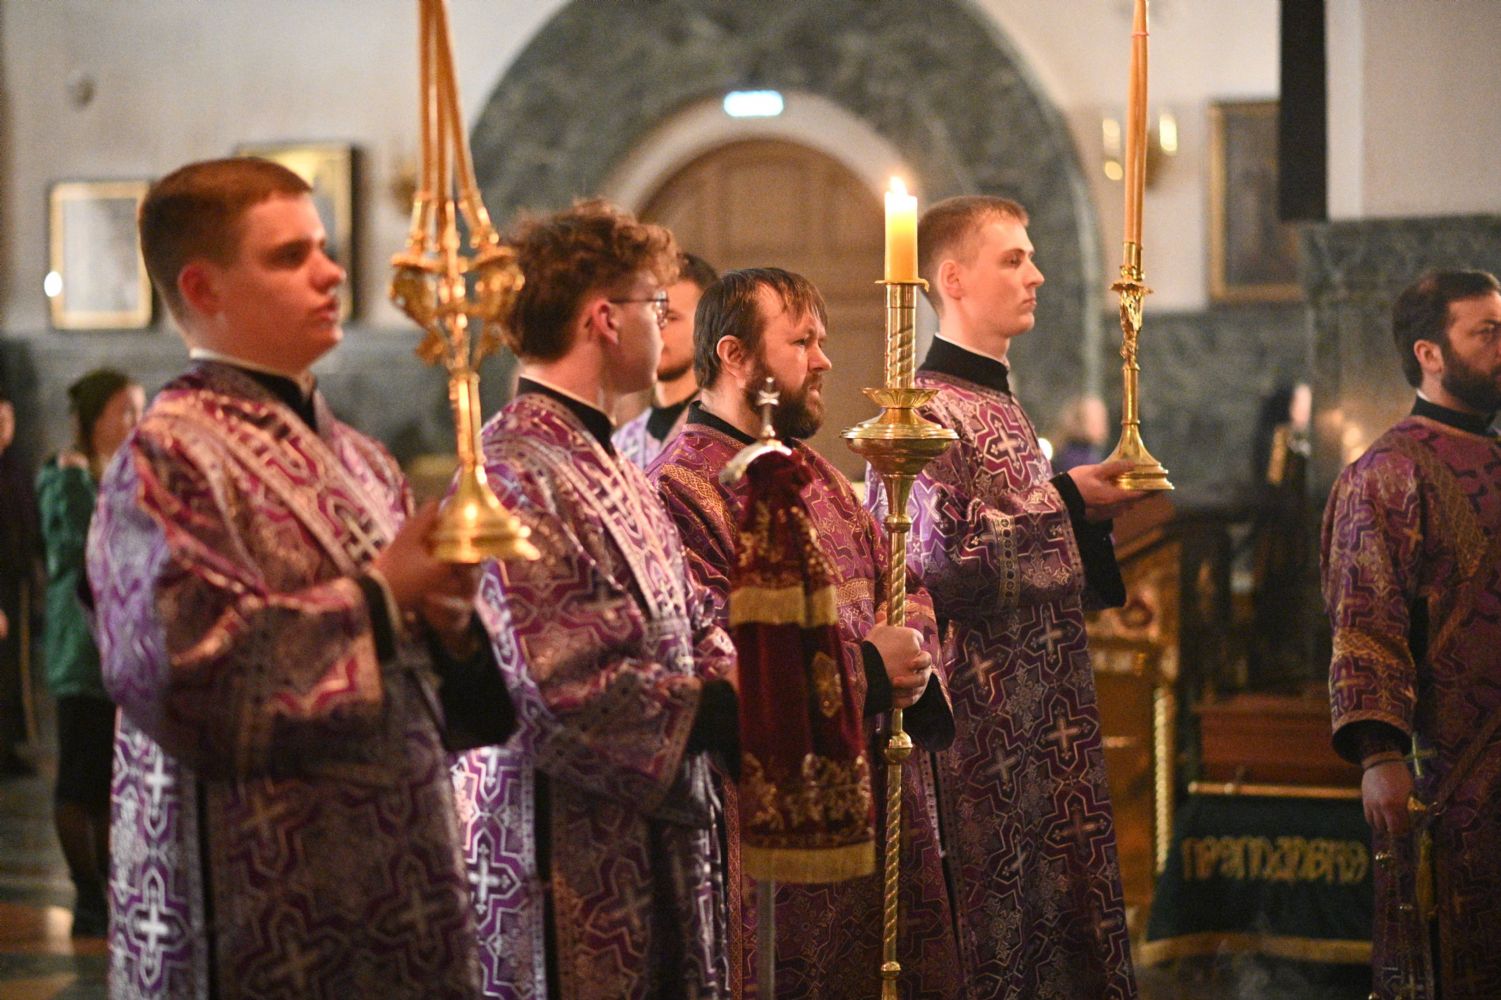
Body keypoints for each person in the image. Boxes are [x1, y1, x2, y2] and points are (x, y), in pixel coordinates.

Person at [89, 157, 513, 999]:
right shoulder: (167, 456)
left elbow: (450, 705)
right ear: (203, 287)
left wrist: (452, 627)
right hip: (260, 910)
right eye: (290, 256)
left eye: (323, 247)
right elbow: (179, 679)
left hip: (406, 897)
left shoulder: (365, 460)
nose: (330, 273)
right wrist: (381, 597)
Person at [650, 267, 963, 998]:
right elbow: (719, 660)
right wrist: (869, 672)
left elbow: (904, 585)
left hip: (878, 792)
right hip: (777, 826)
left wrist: (912, 653)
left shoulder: (815, 471)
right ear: (734, 357)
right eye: (801, 342)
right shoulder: (679, 490)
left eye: (820, 340)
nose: (823, 359)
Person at [451, 199, 737, 998]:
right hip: (563, 856)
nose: (664, 325)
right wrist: (731, 708)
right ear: (604, 319)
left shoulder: (609, 460)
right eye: (655, 305)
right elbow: (560, 683)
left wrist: (738, 673)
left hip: (649, 834)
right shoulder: (510, 472)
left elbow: (690, 614)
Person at [868, 195, 1144, 998]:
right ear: (952, 279)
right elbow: (938, 558)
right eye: (1013, 259)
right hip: (977, 731)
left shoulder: (1000, 403)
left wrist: (1080, 508)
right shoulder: (923, 411)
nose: (1036, 275)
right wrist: (1069, 499)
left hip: (1042, 717)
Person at [1323, 269, 1501, 999]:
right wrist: (1379, 753)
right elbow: (1364, 621)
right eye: (1487, 332)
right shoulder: (1385, 473)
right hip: (1444, 772)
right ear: (1430, 353)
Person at [36, 368, 143, 937]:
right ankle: (87, 893)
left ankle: (107, 887)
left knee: (106, 778)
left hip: (115, 646)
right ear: (96, 418)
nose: (136, 422)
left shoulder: (114, 473)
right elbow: (78, 551)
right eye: (125, 411)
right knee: (79, 778)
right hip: (81, 648)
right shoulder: (67, 476)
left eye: (139, 410)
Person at [613, 251, 717, 467]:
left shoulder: (725, 431)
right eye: (648, 317)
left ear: (707, 326)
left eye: (670, 317)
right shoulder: (621, 444)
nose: (654, 330)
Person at [0, 388, 41, 778]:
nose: (5, 428)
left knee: (16, 671)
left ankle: (10, 744)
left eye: (8, 420)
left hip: (18, 584)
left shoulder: (14, 468)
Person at [1051, 393, 1110, 474]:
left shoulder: (1086, 453)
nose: (1103, 425)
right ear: (1080, 421)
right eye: (1097, 420)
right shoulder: (1079, 460)